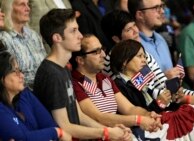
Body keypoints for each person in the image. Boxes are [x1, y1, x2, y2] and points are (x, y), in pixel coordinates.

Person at [33, 8, 131, 141]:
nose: (80, 35)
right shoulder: (51, 73)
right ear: (57, 38)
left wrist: (107, 130)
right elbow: (64, 126)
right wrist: (106, 134)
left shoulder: (63, 69)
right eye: (73, 31)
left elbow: (78, 115)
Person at [101, 9, 194, 108]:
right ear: (116, 38)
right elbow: (146, 96)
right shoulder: (112, 62)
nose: (136, 31)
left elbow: (163, 85)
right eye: (128, 29)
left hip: (166, 104)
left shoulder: (142, 52)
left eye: (134, 25)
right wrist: (189, 99)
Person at [70, 34, 168, 140]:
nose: (103, 54)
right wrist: (139, 120)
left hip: (121, 134)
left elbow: (129, 109)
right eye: (96, 51)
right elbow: (98, 117)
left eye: (102, 49)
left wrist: (149, 114)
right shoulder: (75, 83)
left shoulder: (105, 78)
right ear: (80, 60)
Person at [0, 45, 71, 141]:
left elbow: (49, 124)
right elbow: (21, 138)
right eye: (15, 71)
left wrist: (53, 132)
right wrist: (56, 132)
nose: (21, 75)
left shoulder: (23, 95)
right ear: (1, 78)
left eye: (20, 70)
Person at [0, 0, 47, 89]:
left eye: (28, 4)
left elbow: (45, 64)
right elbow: (10, 76)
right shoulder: (3, 38)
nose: (28, 8)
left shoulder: (33, 34)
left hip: (45, 88)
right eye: (22, 5)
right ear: (9, 9)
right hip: (22, 92)